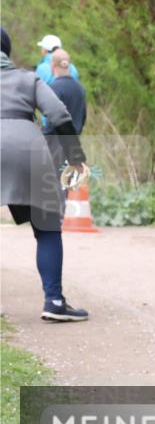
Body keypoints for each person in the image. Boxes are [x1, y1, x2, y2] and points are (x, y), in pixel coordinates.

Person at [1, 27, 89, 321]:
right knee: (47, 226)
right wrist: (76, 157)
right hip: (29, 147)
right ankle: (53, 301)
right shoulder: (28, 78)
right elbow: (60, 114)